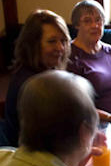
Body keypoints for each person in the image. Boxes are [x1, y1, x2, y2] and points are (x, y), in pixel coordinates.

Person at [5, 9, 70, 145]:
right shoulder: (30, 84)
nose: (60, 48)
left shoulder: (47, 74)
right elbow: (47, 139)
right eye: (52, 41)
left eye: (63, 41)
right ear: (32, 45)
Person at [67, 0, 111, 124]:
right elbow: (75, 106)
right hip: (94, 124)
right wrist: (110, 117)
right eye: (87, 21)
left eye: (98, 20)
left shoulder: (109, 50)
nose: (95, 25)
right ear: (77, 25)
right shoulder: (71, 55)